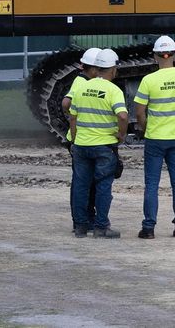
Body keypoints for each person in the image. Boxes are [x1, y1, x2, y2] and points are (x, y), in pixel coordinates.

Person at [132, 35, 175, 239]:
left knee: (151, 184)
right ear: (174, 54)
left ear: (155, 56)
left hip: (155, 139)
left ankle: (149, 228)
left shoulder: (148, 80)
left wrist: (145, 129)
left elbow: (139, 112)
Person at [68, 47, 128, 238]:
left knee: (80, 185)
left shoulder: (82, 87)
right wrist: (121, 134)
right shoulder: (113, 90)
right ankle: (101, 227)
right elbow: (123, 115)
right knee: (103, 186)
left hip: (82, 145)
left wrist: (76, 138)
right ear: (113, 69)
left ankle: (80, 227)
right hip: (104, 147)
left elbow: (72, 117)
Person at [64, 48, 101, 233]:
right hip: (83, 140)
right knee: (85, 183)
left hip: (82, 139)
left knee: (83, 182)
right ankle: (83, 219)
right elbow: (66, 104)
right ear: (93, 69)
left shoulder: (84, 81)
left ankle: (82, 221)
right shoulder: (81, 82)